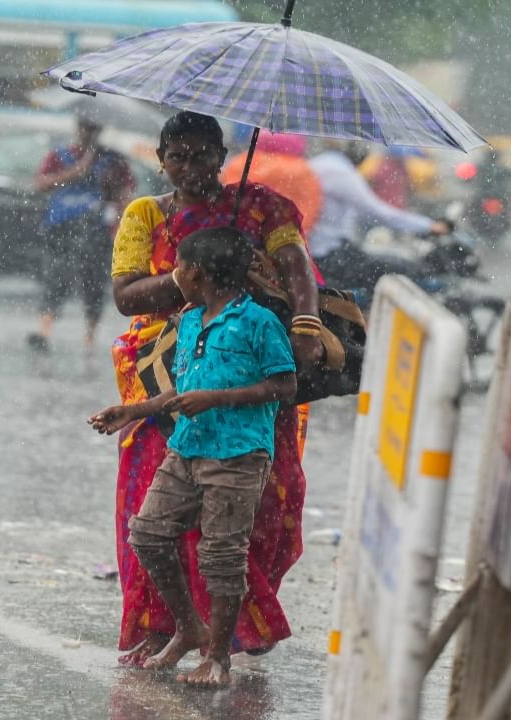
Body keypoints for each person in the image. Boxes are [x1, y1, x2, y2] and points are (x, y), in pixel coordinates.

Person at [107, 111, 323, 666]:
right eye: (176, 155)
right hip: (167, 376)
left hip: (246, 376)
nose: (189, 166)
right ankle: (168, 625)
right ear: (160, 160)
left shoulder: (260, 208)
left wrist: (304, 323)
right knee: (156, 517)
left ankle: (229, 633)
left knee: (247, 515)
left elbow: (297, 265)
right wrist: (186, 279)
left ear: (221, 157)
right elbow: (127, 297)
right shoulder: (145, 214)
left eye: (201, 154)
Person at [90, 227, 297, 686]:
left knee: (222, 554)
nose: (174, 274)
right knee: (147, 534)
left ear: (196, 272)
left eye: (178, 266)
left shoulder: (259, 322)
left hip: (238, 455)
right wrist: (134, 411)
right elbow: (183, 389)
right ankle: (189, 626)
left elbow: (285, 386)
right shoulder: (188, 321)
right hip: (185, 448)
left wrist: (217, 399)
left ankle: (217, 658)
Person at [28, 116, 135, 353]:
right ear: (78, 128)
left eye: (93, 128)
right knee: (57, 277)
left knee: (94, 283)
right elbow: (41, 184)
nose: (88, 133)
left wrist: (120, 222)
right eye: (85, 128)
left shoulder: (113, 161)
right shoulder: (61, 156)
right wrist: (75, 172)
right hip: (62, 229)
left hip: (97, 232)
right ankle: (44, 328)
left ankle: (90, 336)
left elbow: (125, 193)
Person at [307, 141, 450, 287]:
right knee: (405, 271)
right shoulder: (339, 171)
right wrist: (428, 226)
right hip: (329, 253)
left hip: (320, 251)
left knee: (387, 266)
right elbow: (377, 211)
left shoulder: (319, 164)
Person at [220, 130, 323, 235]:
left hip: (241, 234)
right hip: (287, 238)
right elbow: (311, 207)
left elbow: (227, 198)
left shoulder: (242, 162)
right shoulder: (303, 170)